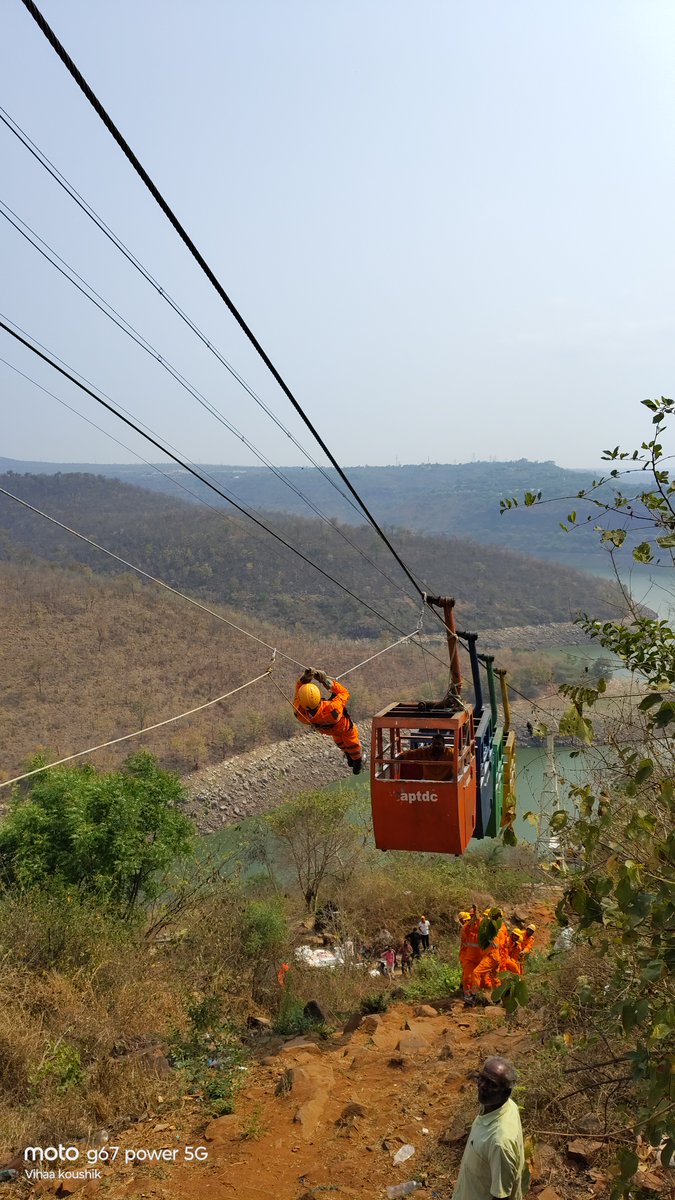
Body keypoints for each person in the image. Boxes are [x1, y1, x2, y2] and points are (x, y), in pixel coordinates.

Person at [451, 1055, 525, 1200]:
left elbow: (501, 1196)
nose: (483, 1086)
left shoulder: (500, 1142)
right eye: (482, 1079)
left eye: (492, 1085)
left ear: (506, 1092)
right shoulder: (499, 1106)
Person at [293, 667, 364, 774]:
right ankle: (357, 764)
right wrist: (325, 681)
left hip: (329, 731)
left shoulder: (301, 715)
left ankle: (350, 759)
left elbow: (298, 695)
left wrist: (303, 680)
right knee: (353, 745)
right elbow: (344, 693)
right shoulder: (332, 707)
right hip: (344, 728)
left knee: (342, 744)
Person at [459, 906, 483, 1000]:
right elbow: (465, 932)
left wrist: (479, 918)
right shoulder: (466, 928)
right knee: (466, 978)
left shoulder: (482, 926)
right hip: (469, 957)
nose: (473, 918)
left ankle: (475, 995)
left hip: (480, 957)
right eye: (471, 916)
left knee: (477, 978)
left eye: (474, 916)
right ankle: (468, 996)